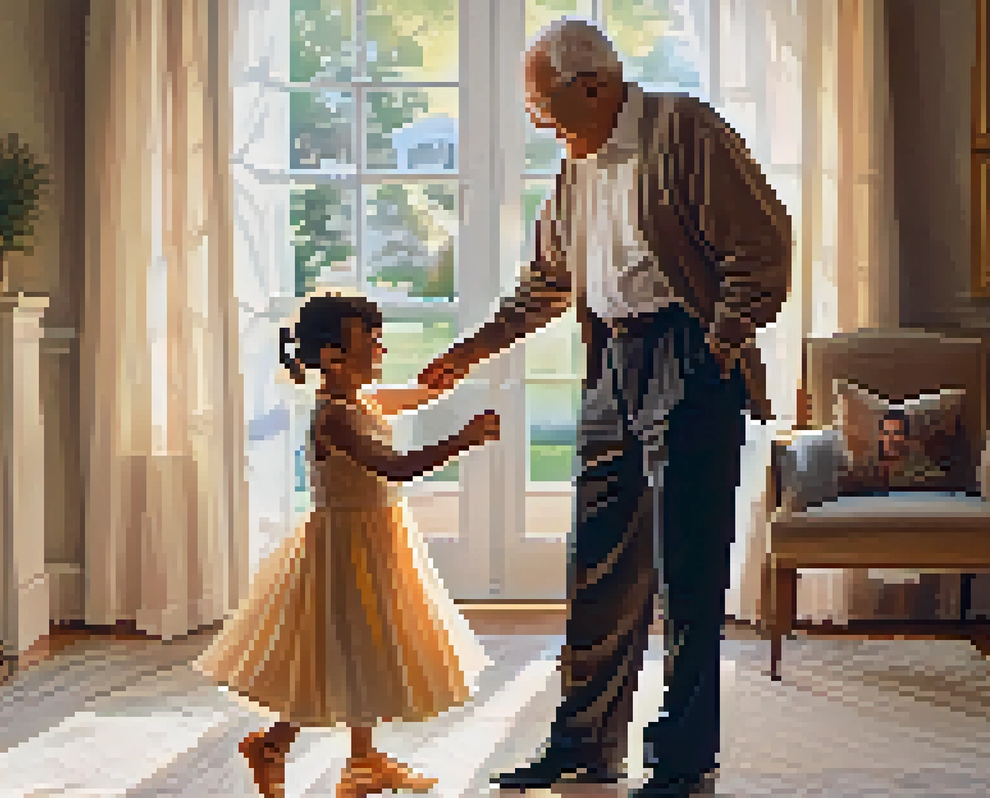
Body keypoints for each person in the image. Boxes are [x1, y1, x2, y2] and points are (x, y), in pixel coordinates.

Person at [414, 19, 791, 796]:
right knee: (597, 571)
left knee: (687, 576)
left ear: (593, 85)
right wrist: (468, 352)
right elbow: (546, 280)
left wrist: (718, 344)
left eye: (539, 101)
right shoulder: (576, 164)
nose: (534, 118)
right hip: (611, 364)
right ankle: (585, 744)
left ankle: (682, 761)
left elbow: (763, 244)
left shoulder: (683, 129)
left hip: (687, 355)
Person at [194, 292, 497, 798]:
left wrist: (442, 383)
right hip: (347, 546)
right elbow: (393, 465)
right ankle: (276, 745)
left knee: (368, 646)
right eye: (371, 343)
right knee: (344, 648)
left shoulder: (361, 400)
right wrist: (462, 441)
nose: (381, 351)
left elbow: (410, 397)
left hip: (377, 536)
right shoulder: (335, 416)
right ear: (333, 357)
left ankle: (361, 760)